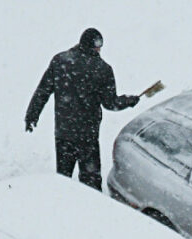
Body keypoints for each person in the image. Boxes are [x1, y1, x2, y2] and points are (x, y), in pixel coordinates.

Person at [25, 28, 139, 191]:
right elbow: (110, 103)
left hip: (64, 132)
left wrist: (32, 115)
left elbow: (43, 91)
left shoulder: (60, 61)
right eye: (98, 45)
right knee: (91, 181)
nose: (99, 49)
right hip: (87, 135)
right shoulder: (102, 69)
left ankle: (61, 205)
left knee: (63, 178)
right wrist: (128, 100)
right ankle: (91, 211)